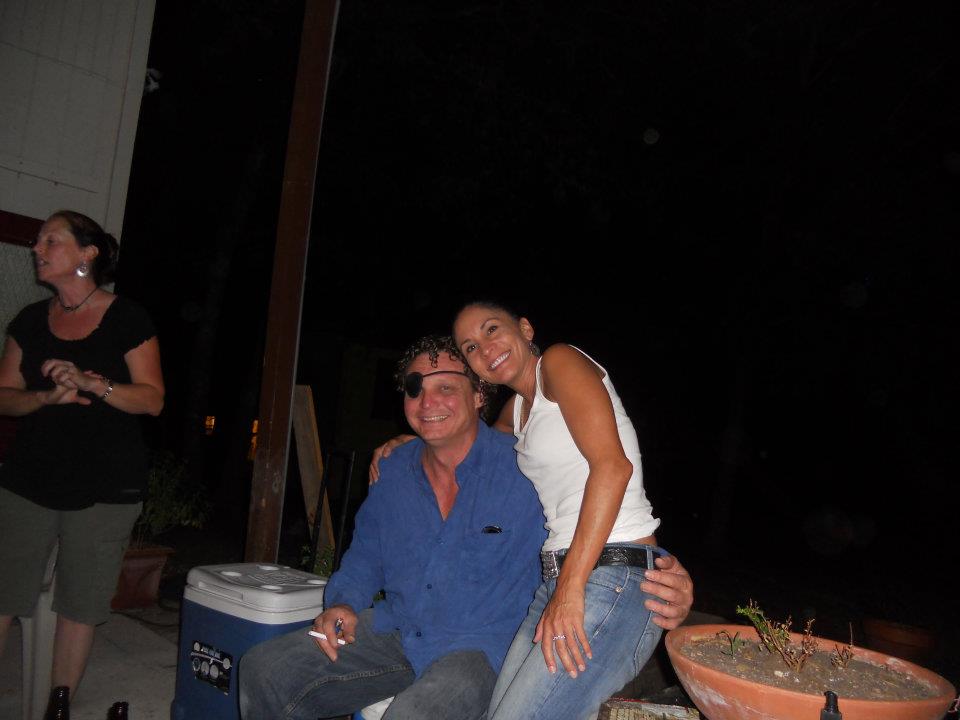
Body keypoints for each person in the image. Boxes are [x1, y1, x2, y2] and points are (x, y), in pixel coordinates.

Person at [240, 336, 548, 720]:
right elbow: (366, 555)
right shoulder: (393, 470)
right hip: (400, 629)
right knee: (265, 670)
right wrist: (343, 602)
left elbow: (568, 551)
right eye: (415, 388)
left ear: (478, 395)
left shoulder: (525, 470)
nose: (427, 402)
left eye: (446, 387)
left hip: (482, 649)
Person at [452, 300, 683, 720]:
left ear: (525, 329)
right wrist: (410, 444)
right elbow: (469, 443)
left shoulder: (559, 362)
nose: (484, 348)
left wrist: (570, 589)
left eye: (491, 329)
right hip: (560, 580)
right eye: (470, 347)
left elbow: (613, 467)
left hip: (609, 575)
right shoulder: (516, 411)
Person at [0, 211, 164, 708]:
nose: (37, 248)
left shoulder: (128, 318)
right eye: (37, 241)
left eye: (51, 240)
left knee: (80, 604)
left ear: (87, 254)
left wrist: (96, 383)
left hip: (105, 486)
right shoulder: (30, 321)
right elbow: (5, 395)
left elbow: (152, 400)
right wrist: (44, 398)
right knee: (3, 590)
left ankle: (58, 706)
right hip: (28, 479)